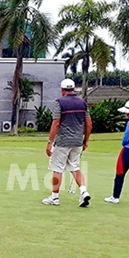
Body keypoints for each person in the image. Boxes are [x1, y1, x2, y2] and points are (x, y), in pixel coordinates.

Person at [42, 78, 92, 208]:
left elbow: (56, 123)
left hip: (63, 141)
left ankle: (55, 197)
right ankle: (83, 191)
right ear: (73, 89)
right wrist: (86, 140)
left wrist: (49, 142)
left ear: (62, 89)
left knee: (57, 168)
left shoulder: (59, 102)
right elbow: (88, 123)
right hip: (77, 142)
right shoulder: (82, 103)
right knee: (75, 167)